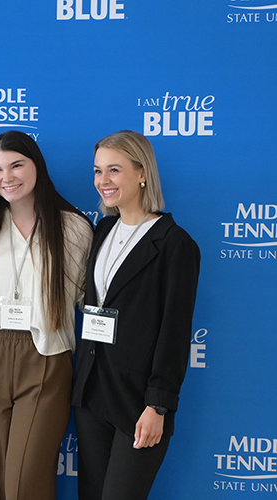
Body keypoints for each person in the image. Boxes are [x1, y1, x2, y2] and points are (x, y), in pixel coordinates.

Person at [71, 130, 200, 500]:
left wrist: (158, 405)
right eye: (97, 171)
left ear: (142, 173)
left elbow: (175, 332)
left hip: (138, 402)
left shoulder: (175, 243)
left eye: (114, 170)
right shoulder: (103, 229)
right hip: (92, 392)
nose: (103, 181)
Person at [0, 131, 93, 500]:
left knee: (26, 482)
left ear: (37, 164)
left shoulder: (73, 227)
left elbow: (85, 298)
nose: (6, 177)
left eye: (16, 165)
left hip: (47, 354)